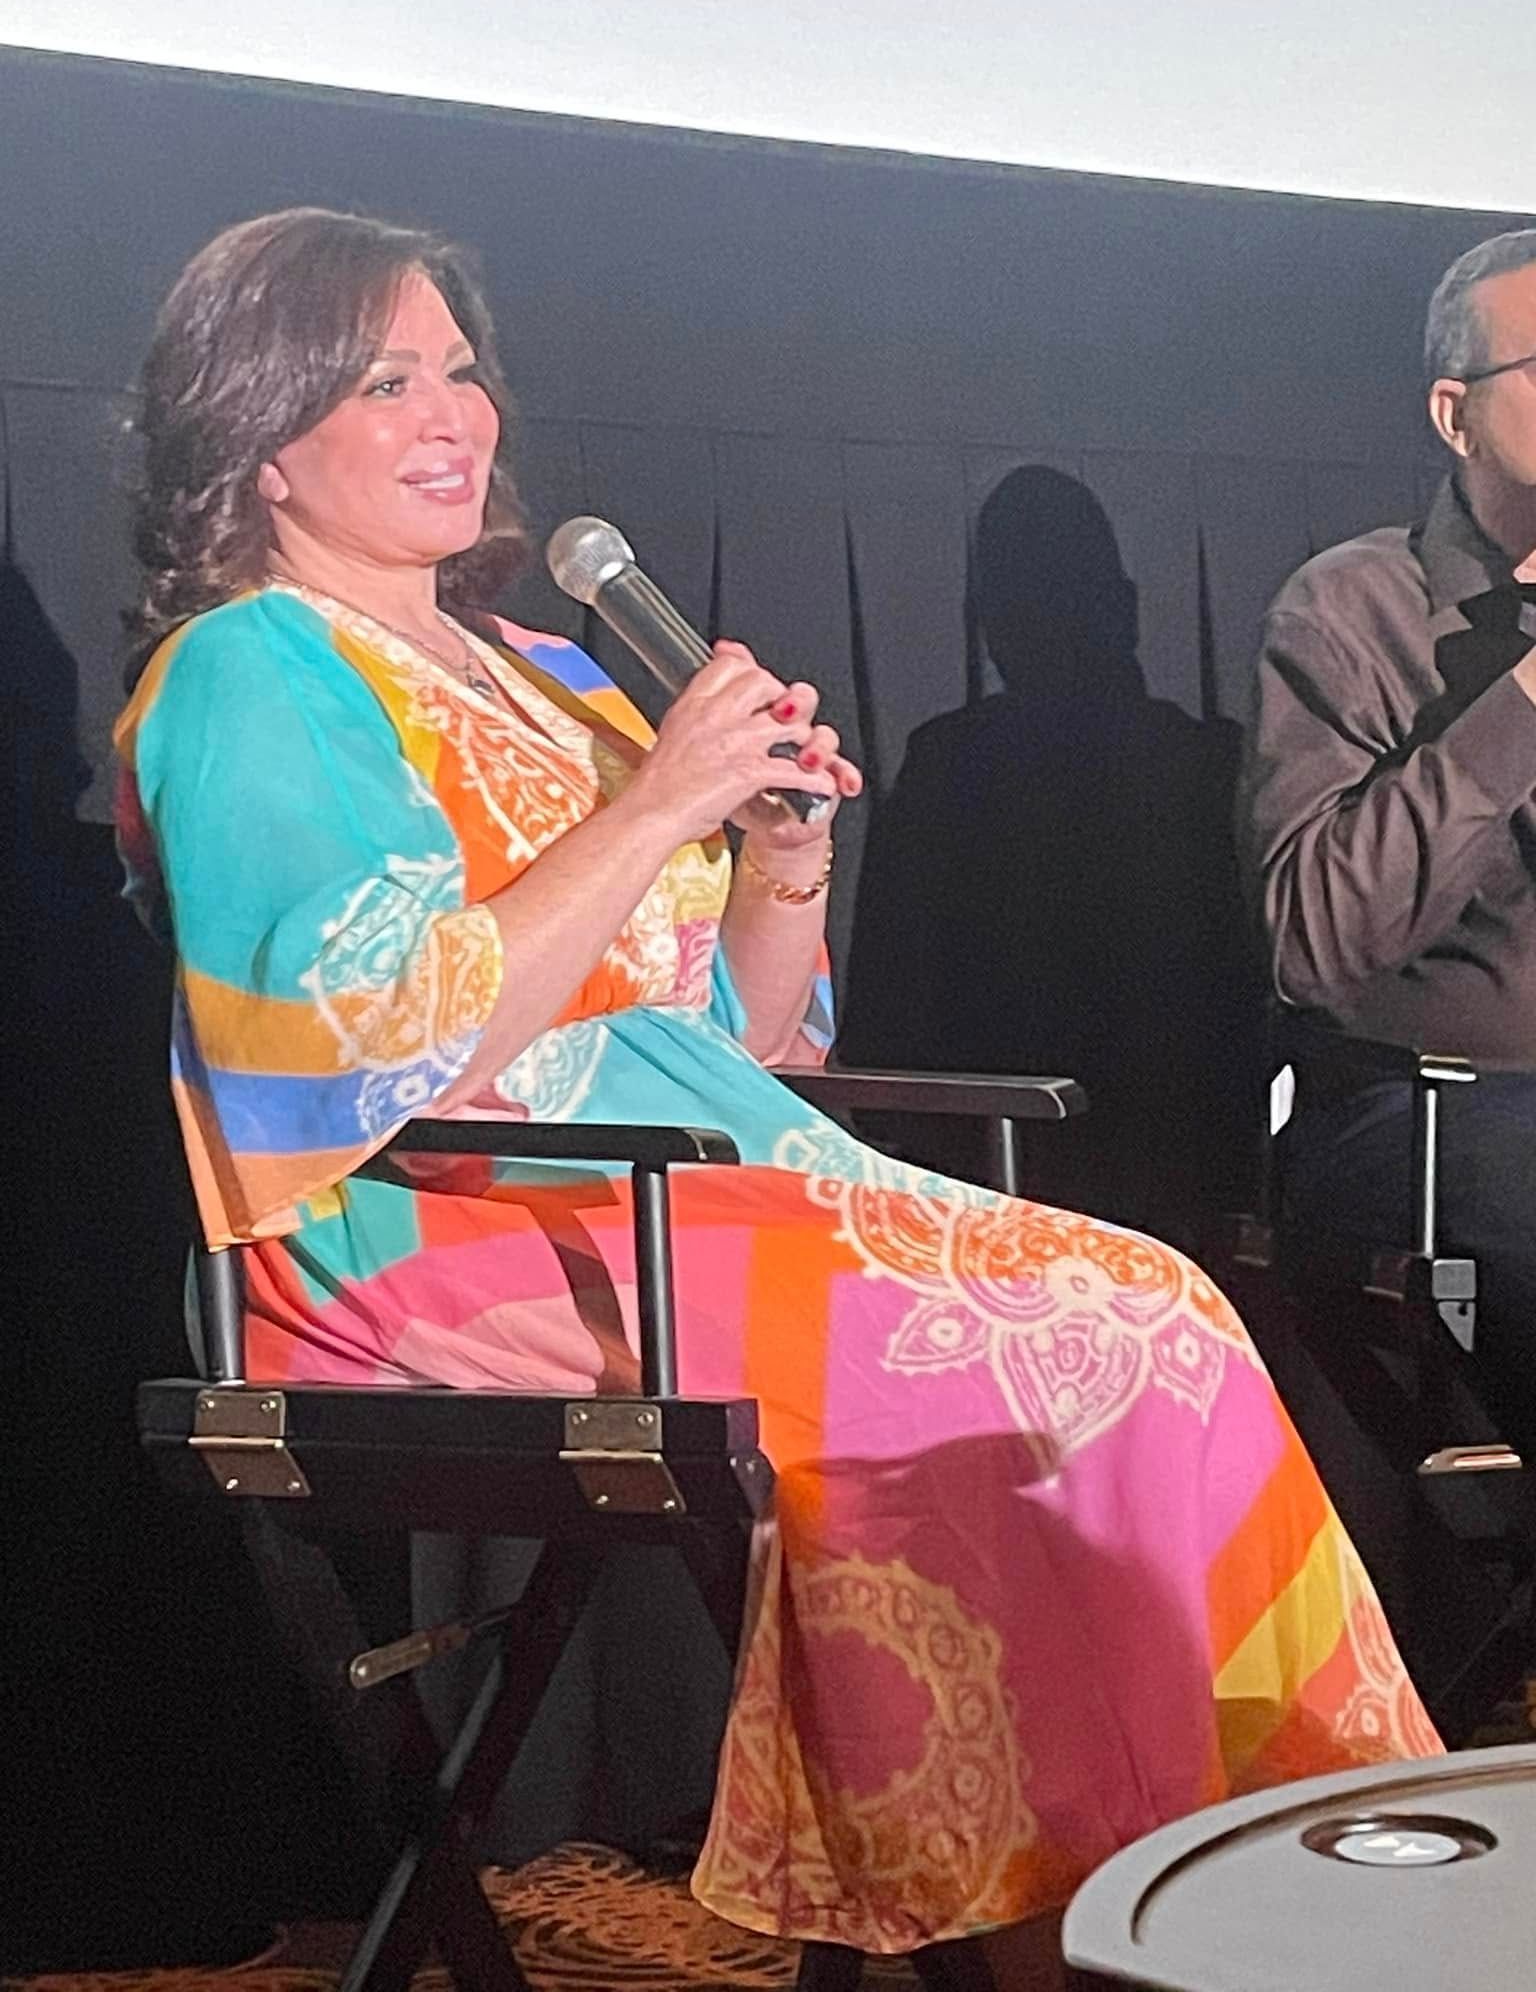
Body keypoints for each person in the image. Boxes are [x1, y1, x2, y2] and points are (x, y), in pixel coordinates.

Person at [116, 207, 1436, 1985]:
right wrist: (658, 806)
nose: (454, 415)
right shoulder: (246, 670)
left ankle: (1225, 1894)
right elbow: (354, 1047)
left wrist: (781, 861)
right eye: (383, 381)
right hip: (437, 1221)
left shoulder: (550, 669)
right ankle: (1038, 1923)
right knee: (1038, 1347)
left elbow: (717, 1044)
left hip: (682, 1183)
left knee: (1159, 1308)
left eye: (461, 368)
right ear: (264, 438)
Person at [1240, 227, 1536, 1465]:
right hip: (1434, 1115)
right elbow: (1315, 938)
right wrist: (1520, 701)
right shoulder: (1352, 610)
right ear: (1454, 413)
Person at [840, 466, 1260, 1244]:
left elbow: (880, 1032)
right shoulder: (1211, 765)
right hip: (1189, 1195)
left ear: (990, 628)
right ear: (1128, 608)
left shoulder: (946, 765)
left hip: (986, 1197)